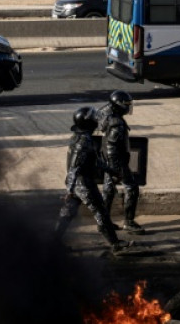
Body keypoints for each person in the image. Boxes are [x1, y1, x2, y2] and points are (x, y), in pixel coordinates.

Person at [54, 106, 130, 254]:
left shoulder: (81, 137)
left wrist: (111, 171)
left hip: (78, 183)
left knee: (67, 213)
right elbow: (74, 168)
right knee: (101, 212)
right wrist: (69, 191)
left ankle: (53, 242)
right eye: (94, 118)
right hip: (83, 184)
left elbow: (94, 161)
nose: (97, 120)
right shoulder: (83, 141)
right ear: (89, 122)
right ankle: (115, 244)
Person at [98, 90, 145, 235]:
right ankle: (129, 222)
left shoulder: (107, 114)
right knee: (131, 188)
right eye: (126, 105)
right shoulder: (117, 124)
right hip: (115, 161)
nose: (128, 107)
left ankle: (103, 224)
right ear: (119, 105)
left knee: (109, 190)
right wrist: (116, 169)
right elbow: (113, 148)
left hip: (106, 159)